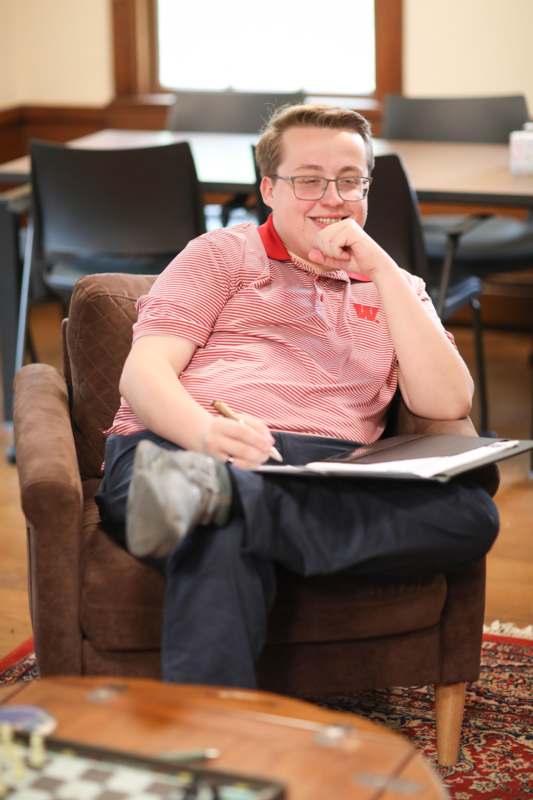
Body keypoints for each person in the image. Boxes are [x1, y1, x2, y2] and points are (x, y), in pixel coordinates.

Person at [95, 104, 499, 688]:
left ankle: (227, 504)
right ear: (269, 189)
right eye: (308, 180)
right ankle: (216, 499)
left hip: (323, 471)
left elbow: (447, 403)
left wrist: (383, 272)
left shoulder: (399, 287)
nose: (331, 198)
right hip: (183, 449)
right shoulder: (222, 255)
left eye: (349, 181)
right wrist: (205, 434)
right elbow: (144, 371)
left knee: (471, 513)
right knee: (220, 518)